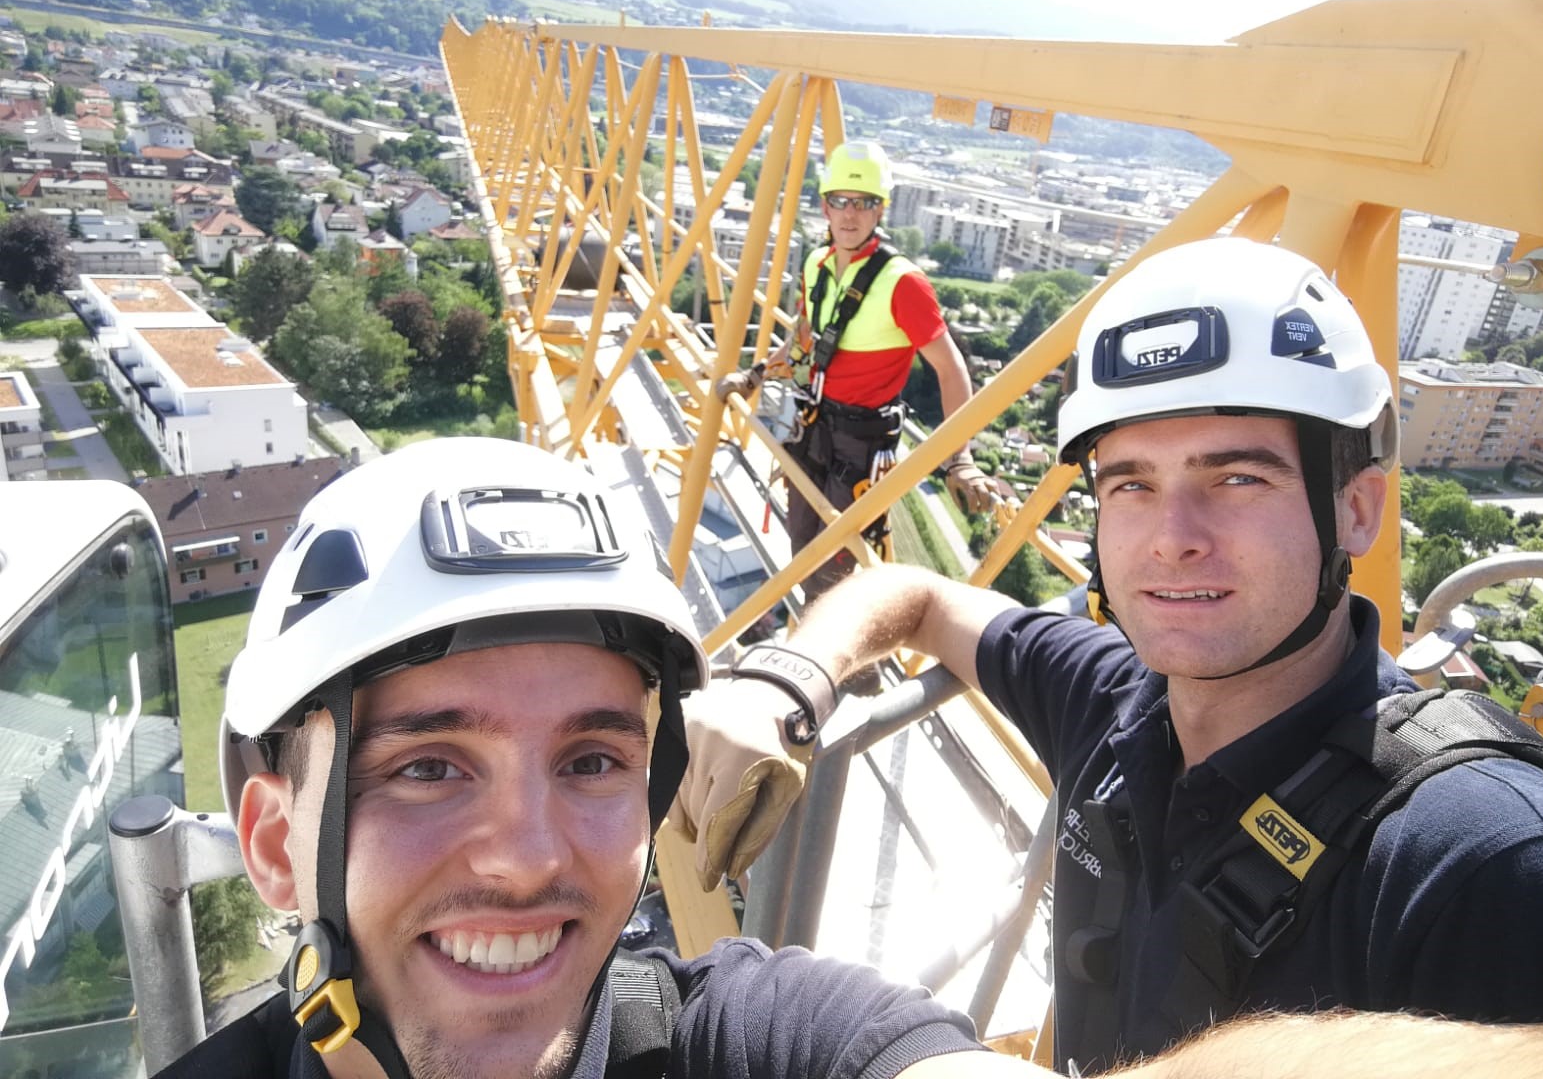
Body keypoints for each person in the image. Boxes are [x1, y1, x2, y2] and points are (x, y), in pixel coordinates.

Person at [674, 238, 1543, 1074]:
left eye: (1237, 478)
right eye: (1132, 484)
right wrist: (785, 679)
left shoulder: (1489, 864)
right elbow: (918, 597)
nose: (1173, 539)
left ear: (1356, 509)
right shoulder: (1116, 701)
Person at [155, 437, 1030, 1079]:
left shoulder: (752, 1041)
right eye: (428, 768)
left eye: (591, 761)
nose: (530, 857)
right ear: (275, 847)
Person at [719, 140, 994, 599]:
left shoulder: (902, 283)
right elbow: (805, 335)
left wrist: (959, 458)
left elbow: (951, 370)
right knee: (803, 546)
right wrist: (757, 374)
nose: (850, 214)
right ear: (825, 206)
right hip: (816, 430)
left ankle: (847, 667)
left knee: (835, 568)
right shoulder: (817, 264)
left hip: (862, 444)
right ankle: (820, 648)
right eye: (840, 201)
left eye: (863, 203)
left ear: (880, 210)